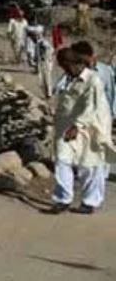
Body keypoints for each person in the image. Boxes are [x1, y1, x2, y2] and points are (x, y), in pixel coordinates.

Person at [48, 43, 114, 215]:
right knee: (62, 160)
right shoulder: (69, 79)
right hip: (66, 128)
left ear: (74, 63)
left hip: (90, 128)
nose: (64, 70)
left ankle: (90, 201)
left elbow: (91, 106)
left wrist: (77, 126)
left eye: (65, 66)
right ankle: (62, 199)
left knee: (89, 165)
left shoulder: (93, 80)